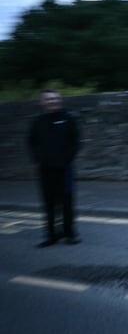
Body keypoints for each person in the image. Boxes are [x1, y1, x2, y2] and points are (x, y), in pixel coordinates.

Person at [27, 88, 81, 247]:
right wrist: (38, 159)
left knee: (66, 203)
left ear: (59, 100)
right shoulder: (38, 121)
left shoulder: (68, 119)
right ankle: (51, 236)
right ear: (42, 102)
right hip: (45, 170)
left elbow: (75, 142)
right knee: (49, 203)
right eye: (48, 99)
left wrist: (67, 160)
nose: (52, 101)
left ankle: (70, 234)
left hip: (65, 170)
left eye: (55, 99)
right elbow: (31, 142)